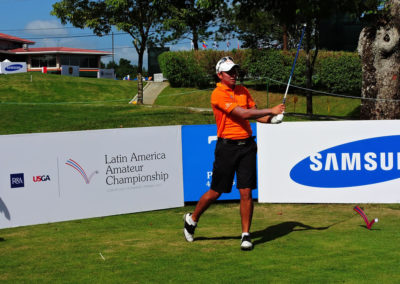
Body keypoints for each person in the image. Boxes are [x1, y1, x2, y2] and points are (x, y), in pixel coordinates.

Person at [183, 56, 285, 250]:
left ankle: (246, 235)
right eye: (229, 72)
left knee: (246, 191)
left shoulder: (243, 91)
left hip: (247, 145)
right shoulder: (218, 94)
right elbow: (243, 114)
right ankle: (192, 218)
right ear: (220, 75)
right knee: (216, 192)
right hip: (227, 147)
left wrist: (271, 119)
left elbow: (256, 115)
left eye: (235, 71)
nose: (233, 75)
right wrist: (271, 110)